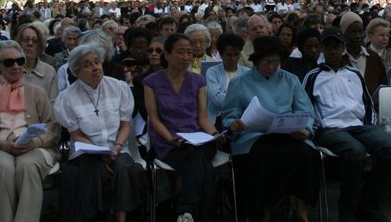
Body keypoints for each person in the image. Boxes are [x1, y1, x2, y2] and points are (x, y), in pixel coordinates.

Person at [303, 27, 391, 222]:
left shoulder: (354, 74)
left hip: (358, 125)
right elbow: (305, 109)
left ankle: (368, 204)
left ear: (343, 48)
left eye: (337, 46)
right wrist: (316, 130)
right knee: (355, 152)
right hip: (330, 128)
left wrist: (370, 125)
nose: (332, 51)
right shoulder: (313, 76)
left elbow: (367, 104)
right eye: (328, 47)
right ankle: (346, 210)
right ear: (322, 49)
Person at [222, 35, 318, 221]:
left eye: (276, 62)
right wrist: (234, 123)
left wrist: (305, 129)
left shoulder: (290, 80)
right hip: (253, 136)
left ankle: (301, 208)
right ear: (257, 61)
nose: (272, 67)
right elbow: (229, 114)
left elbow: (305, 109)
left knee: (307, 154)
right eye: (267, 62)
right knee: (264, 158)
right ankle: (264, 210)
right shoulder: (239, 83)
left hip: (288, 133)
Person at [0, 40, 60, 222]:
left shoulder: (37, 93)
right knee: (4, 166)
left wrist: (34, 142)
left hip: (34, 148)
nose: (16, 66)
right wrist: (1, 144)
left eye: (20, 61)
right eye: (9, 62)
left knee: (27, 165)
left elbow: (52, 127)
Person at [54, 44, 145, 222]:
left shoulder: (118, 87)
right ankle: (94, 217)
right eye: (87, 65)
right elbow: (77, 135)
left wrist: (117, 147)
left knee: (122, 168)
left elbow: (126, 125)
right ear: (76, 72)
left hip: (117, 147)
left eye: (97, 62)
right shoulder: (67, 97)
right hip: (86, 152)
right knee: (93, 171)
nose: (95, 68)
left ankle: (121, 218)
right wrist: (100, 154)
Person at [144, 33, 220, 222]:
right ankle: (200, 214)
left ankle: (186, 212)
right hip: (168, 142)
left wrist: (215, 133)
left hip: (198, 138)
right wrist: (170, 138)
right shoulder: (152, 82)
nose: (186, 57)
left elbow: (202, 117)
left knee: (195, 154)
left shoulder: (198, 81)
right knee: (201, 165)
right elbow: (154, 118)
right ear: (167, 55)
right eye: (180, 52)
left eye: (189, 52)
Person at [206, 33, 250, 125]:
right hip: (218, 118)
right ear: (221, 55)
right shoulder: (212, 72)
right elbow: (217, 100)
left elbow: (250, 99)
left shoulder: (247, 72)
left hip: (242, 118)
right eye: (229, 55)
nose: (233, 59)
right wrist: (240, 98)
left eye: (236, 54)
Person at [340, 12, 387, 96]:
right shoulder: (339, 58)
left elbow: (383, 85)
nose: (358, 36)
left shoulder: (373, 57)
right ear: (344, 33)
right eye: (353, 32)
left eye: (361, 31)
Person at [16, 24, 58, 103]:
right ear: (19, 43)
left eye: (35, 41)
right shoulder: (7, 70)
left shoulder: (49, 72)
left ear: (39, 46)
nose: (30, 44)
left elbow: (53, 104)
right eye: (26, 39)